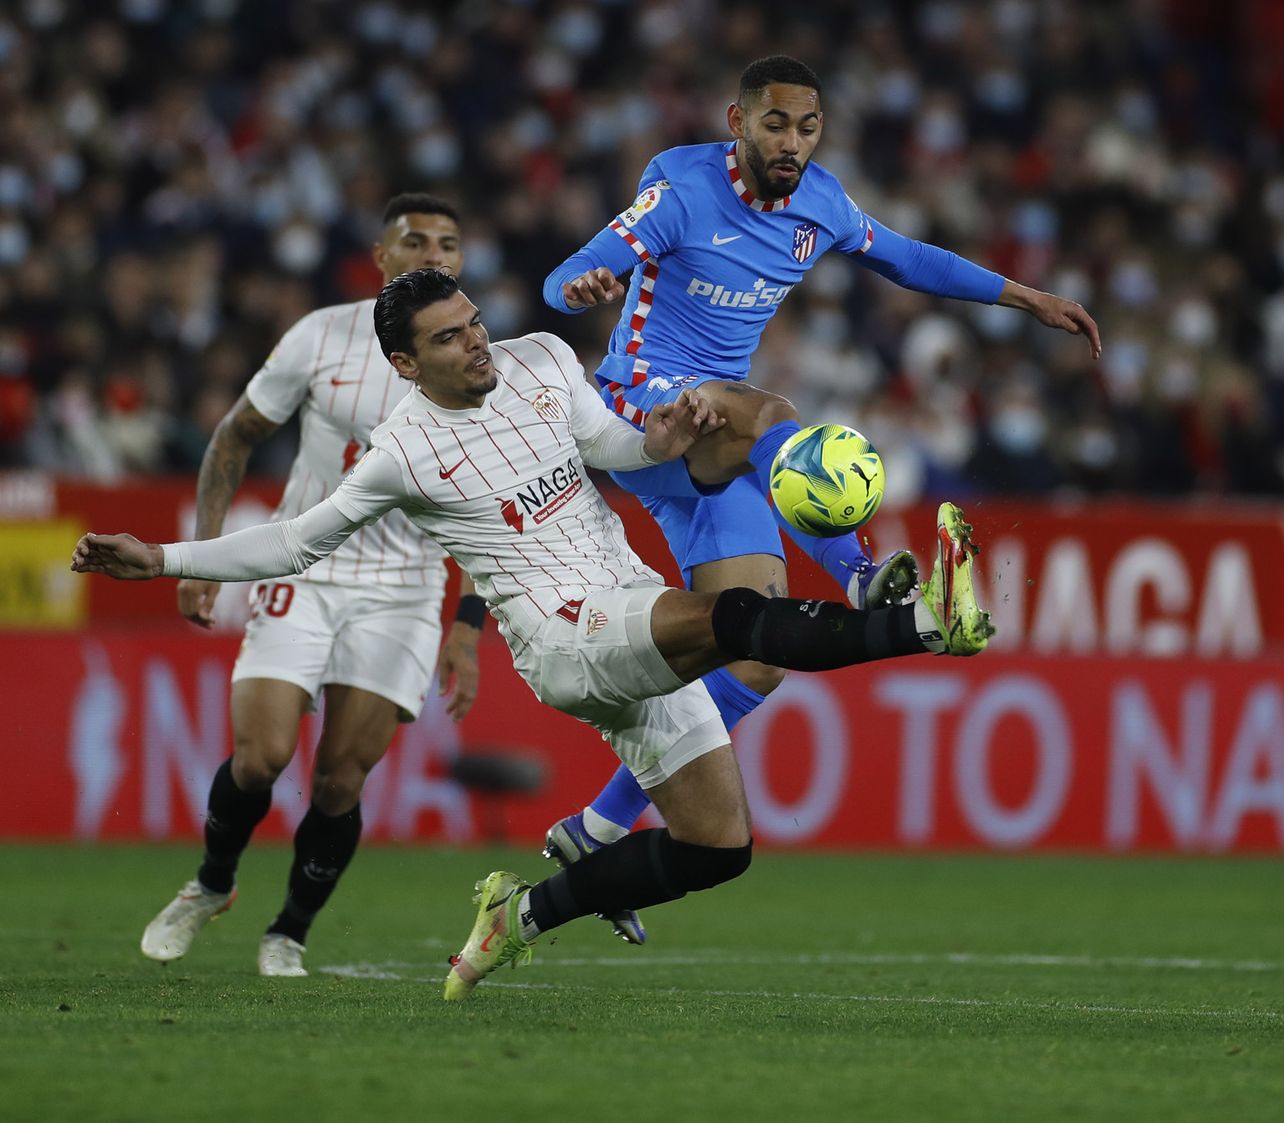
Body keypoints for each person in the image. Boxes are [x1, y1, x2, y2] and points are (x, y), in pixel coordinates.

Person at [71, 267, 996, 1002]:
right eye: (448, 338)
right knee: (730, 622)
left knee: (718, 847)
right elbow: (291, 539)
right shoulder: (402, 452)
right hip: (564, 639)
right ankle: (921, 621)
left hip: (625, 597)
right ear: (405, 364)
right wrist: (158, 558)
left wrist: (664, 436)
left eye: (472, 321)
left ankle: (518, 915)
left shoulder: (542, 359)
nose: (475, 342)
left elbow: (613, 449)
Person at [538, 54, 1100, 881]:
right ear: (738, 123)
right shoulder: (682, 193)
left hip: (715, 452)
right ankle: (860, 573)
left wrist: (1026, 297)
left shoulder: (822, 205)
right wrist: (583, 288)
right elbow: (559, 281)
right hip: (639, 406)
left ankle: (596, 823)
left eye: (807, 126)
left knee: (757, 659)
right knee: (772, 414)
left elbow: (909, 258)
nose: (793, 141)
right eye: (775, 123)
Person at [137, 194, 486, 978]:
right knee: (260, 758)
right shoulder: (321, 336)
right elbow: (236, 435)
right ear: (382, 256)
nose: (435, 253)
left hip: (404, 586)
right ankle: (211, 881)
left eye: (450, 244)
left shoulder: (476, 360)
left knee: (338, 779)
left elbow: (497, 502)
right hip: (306, 565)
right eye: (417, 240)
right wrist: (199, 553)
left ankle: (288, 929)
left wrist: (468, 623)